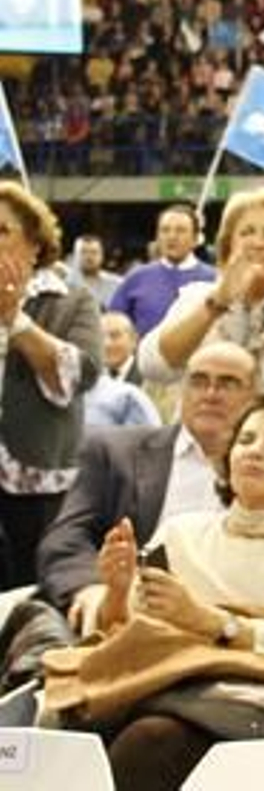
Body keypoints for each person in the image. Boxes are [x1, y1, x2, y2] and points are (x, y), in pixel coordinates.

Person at [93, 390, 264, 791]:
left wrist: (213, 622)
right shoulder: (181, 534)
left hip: (243, 702)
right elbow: (126, 635)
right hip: (154, 685)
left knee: (152, 740)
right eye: (246, 440)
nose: (255, 452)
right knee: (81, 727)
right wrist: (115, 591)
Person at [37, 342, 258, 630]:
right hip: (129, 619)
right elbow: (66, 540)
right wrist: (93, 592)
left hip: (231, 624)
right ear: (182, 390)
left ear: (255, 397)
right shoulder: (115, 453)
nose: (210, 394)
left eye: (228, 383)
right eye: (198, 381)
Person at [0, 181, 103, 587]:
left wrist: (15, 320)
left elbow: (82, 374)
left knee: (33, 597)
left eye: (2, 230)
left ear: (35, 246)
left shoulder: (71, 300)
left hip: (39, 485)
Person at [139, 189, 264, 397]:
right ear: (228, 245)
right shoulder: (196, 296)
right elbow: (153, 368)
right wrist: (216, 303)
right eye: (247, 232)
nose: (258, 243)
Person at [107, 205, 215, 337]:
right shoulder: (136, 278)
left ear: (195, 238)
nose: (172, 237)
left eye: (180, 230)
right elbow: (112, 323)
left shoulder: (213, 279)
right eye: (165, 230)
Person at [82, 312, 162, 433]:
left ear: (134, 340)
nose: (106, 344)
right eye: (100, 337)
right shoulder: (90, 382)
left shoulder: (153, 378)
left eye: (115, 336)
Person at [67, 235, 122, 310]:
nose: (89, 257)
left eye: (94, 252)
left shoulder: (116, 284)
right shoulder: (66, 284)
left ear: (102, 256)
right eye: (84, 252)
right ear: (75, 256)